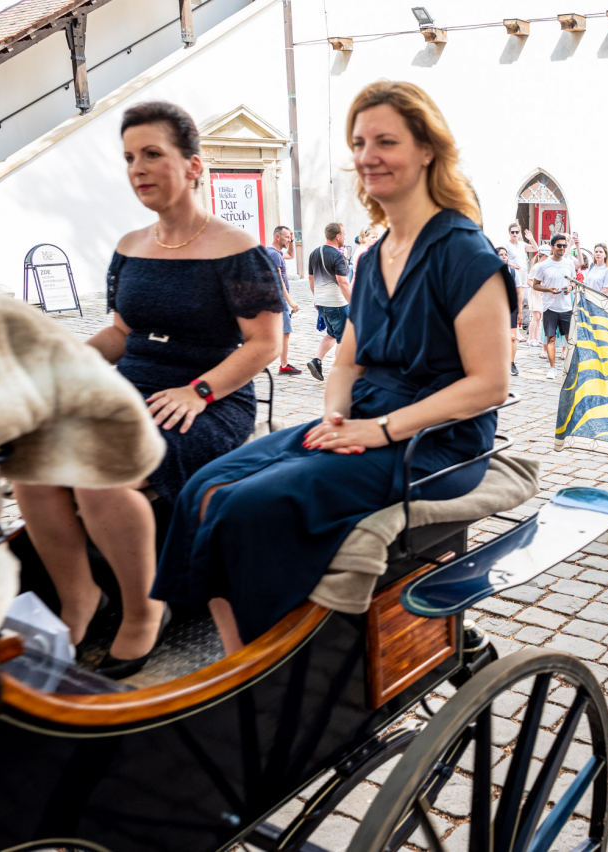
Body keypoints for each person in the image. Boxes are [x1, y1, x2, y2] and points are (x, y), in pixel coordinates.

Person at [154, 80, 513, 655]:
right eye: (359, 143)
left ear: (427, 150)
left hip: (438, 445)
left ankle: (267, 669)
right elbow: (345, 362)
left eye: (385, 141)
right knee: (205, 485)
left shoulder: (465, 253)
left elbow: (489, 384)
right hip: (365, 418)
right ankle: (238, 662)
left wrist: (380, 431)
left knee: (248, 507)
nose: (367, 156)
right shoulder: (374, 258)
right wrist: (337, 416)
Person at [14, 101, 283, 677]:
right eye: (130, 157)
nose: (138, 168)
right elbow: (121, 333)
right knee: (30, 464)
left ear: (193, 165)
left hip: (209, 402)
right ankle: (80, 597)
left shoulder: (238, 250)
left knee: (100, 473)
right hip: (130, 391)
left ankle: (145, 610)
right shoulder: (130, 246)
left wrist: (199, 391)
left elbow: (265, 344)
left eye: (152, 154)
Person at [306, 223, 353, 381]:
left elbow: (311, 279)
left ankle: (316, 361)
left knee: (332, 334)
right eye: (344, 234)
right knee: (343, 338)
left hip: (321, 302)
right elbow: (343, 283)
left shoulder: (314, 253)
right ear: (337, 236)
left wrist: (316, 297)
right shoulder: (338, 256)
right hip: (337, 303)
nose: (345, 237)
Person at [529, 232, 577, 380]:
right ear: (552, 246)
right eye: (559, 246)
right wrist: (549, 290)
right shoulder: (543, 265)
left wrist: (570, 287)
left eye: (564, 246)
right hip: (549, 307)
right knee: (551, 338)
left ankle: (571, 369)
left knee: (570, 340)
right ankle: (552, 368)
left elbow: (574, 281)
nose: (562, 248)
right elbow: (535, 285)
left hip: (566, 307)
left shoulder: (569, 263)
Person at [267, 225, 302, 376]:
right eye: (286, 237)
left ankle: (264, 362)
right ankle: (284, 365)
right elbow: (278, 280)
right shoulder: (274, 255)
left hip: (273, 299)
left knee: (274, 333)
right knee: (285, 332)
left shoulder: (273, 252)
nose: (288, 240)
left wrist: (292, 239)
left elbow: (291, 255)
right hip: (279, 300)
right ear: (277, 237)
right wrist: (290, 302)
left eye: (289, 237)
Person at [497, 245, 520, 376]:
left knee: (512, 337)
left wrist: (520, 311)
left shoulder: (512, 272)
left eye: (505, 254)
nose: (504, 257)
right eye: (501, 254)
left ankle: (511, 363)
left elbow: (518, 292)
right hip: (496, 308)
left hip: (511, 307)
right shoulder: (490, 271)